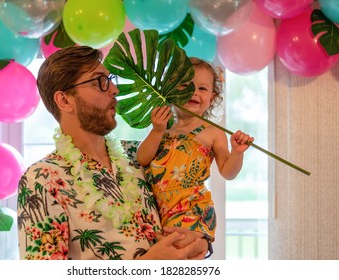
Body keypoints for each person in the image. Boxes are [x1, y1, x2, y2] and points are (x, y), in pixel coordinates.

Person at [17, 46, 208, 260]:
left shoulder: (141, 154)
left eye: (110, 79)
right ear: (65, 100)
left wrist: (201, 242)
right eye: (99, 81)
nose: (114, 90)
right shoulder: (42, 179)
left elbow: (190, 198)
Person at [137, 57, 254, 251]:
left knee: (178, 248)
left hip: (192, 209)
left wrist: (237, 153)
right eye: (185, 86)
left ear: (212, 97)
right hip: (161, 210)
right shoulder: (162, 130)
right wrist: (156, 130)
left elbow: (228, 172)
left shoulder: (213, 132)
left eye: (202, 88)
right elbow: (142, 158)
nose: (194, 92)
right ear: (171, 91)